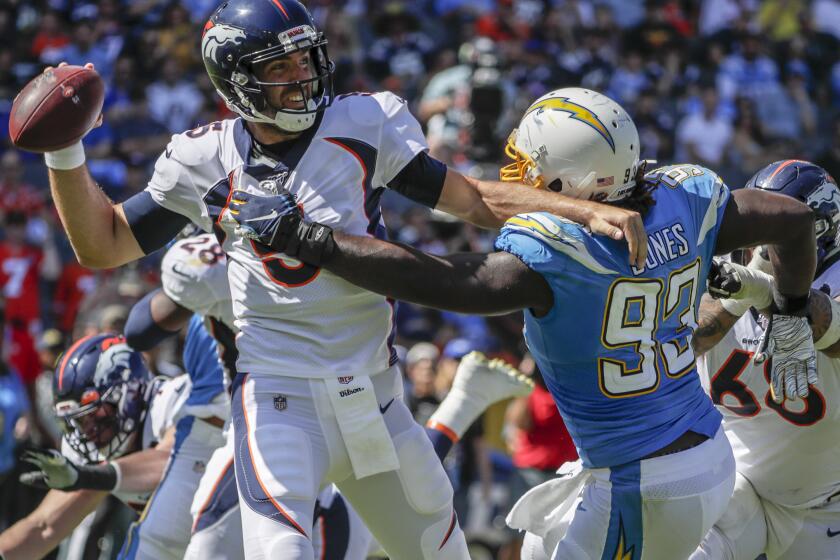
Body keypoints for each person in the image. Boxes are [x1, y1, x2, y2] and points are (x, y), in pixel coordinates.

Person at [33, 0, 650, 556]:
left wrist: (580, 207)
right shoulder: (202, 157)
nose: (302, 74)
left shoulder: (363, 123)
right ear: (236, 80)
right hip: (278, 401)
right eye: (280, 66)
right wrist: (65, 152)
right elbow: (104, 244)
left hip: (373, 395)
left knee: (441, 548)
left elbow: (472, 200)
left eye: (306, 56)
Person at [231, 86, 820, 559]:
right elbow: (794, 220)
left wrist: (314, 241)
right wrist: (792, 313)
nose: (522, 178)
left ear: (571, 182)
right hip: (702, 453)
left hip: (643, 481)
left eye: (534, 168)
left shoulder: (558, 254)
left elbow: (448, 280)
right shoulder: (688, 198)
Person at [129, 231, 534, 559]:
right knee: (405, 523)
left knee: (216, 548)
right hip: (354, 393)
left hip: (278, 414)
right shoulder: (339, 211)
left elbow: (141, 329)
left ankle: (460, 406)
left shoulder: (211, 256)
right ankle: (460, 407)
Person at [691, 160, 840, 560]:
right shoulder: (730, 280)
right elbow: (686, 342)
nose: (756, 241)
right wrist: (743, 294)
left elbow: (829, 324)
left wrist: (778, 296)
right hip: (736, 486)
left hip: (825, 508)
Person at [0, 334, 201, 560]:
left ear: (130, 392)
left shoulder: (173, 400)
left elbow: (170, 461)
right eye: (78, 421)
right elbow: (43, 527)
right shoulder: (94, 448)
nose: (87, 430)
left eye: (93, 414)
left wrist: (88, 476)